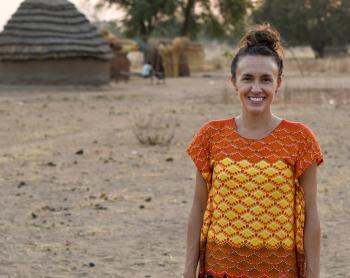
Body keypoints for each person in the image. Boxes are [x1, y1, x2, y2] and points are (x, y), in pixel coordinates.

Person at [184, 24, 323, 278]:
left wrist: (313, 274)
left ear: (278, 83)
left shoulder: (300, 138)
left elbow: (311, 215)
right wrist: (187, 270)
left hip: (280, 270)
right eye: (247, 78)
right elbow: (198, 208)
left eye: (265, 79)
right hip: (220, 269)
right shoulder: (211, 135)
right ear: (234, 82)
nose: (256, 89)